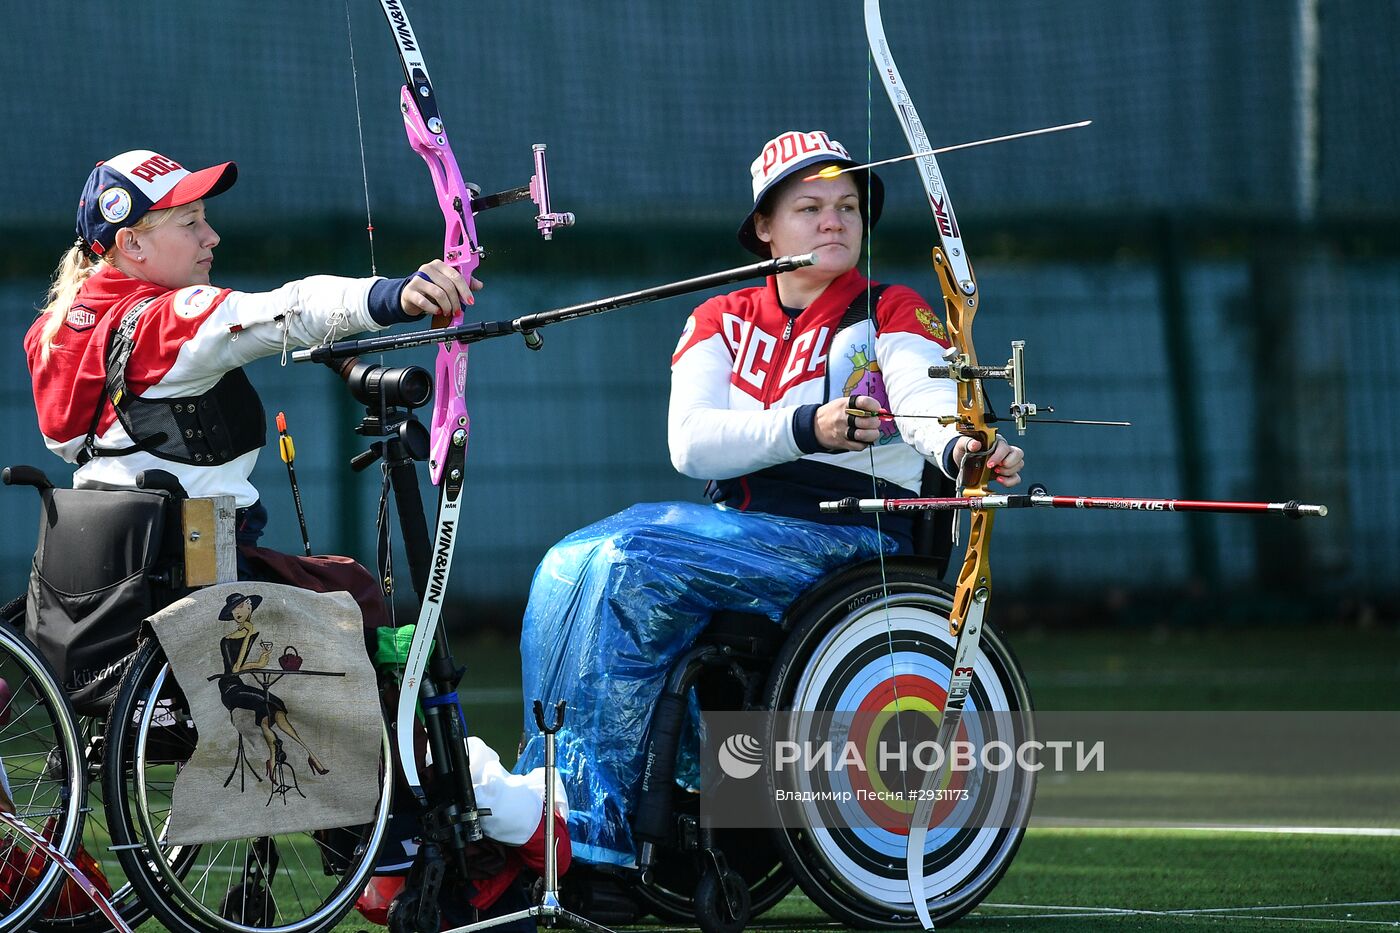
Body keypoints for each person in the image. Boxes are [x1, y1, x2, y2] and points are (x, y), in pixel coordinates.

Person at [516, 129, 1025, 868]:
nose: (834, 222)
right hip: (737, 537)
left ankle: (598, 843)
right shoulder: (718, 320)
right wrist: (806, 425)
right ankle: (554, 810)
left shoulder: (891, 308)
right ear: (764, 227)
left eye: (849, 206)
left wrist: (961, 447)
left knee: (629, 557)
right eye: (810, 207)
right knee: (568, 563)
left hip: (852, 541)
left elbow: (926, 403)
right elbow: (690, 444)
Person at [25, 149, 477, 628]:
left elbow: (65, 442)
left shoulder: (54, 331)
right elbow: (288, 310)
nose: (210, 236)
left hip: (101, 570)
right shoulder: (166, 321)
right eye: (190, 222)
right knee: (352, 599)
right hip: (190, 571)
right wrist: (393, 296)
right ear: (131, 244)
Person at [215, 592, 329, 779]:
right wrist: (249, 634)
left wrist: (260, 662)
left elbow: (244, 666)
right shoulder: (227, 640)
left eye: (241, 606)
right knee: (267, 701)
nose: (237, 612)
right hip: (229, 688)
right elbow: (235, 668)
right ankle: (277, 756)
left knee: (275, 706)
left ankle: (306, 754)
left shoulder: (251, 633)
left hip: (240, 683)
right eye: (234, 609)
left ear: (250, 607)